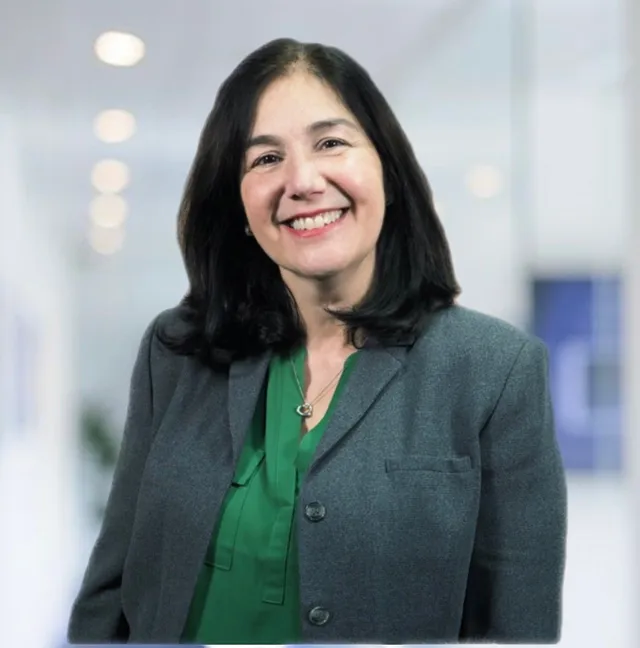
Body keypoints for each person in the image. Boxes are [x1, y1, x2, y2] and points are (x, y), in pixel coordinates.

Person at [67, 37, 567, 644]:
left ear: (387, 167)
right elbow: (111, 591)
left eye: (330, 142)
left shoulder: (494, 370)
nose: (301, 181)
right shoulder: (177, 351)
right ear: (240, 203)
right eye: (264, 159)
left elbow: (519, 630)